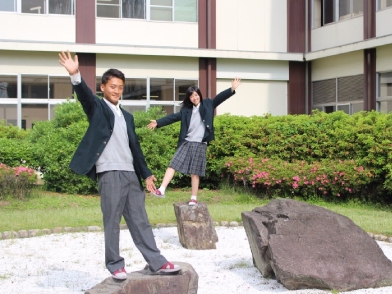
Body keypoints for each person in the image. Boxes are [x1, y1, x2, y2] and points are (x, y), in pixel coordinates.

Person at [58, 50, 181, 280]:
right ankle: (115, 265)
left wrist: (146, 175)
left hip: (130, 175)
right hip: (109, 173)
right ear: (103, 87)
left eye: (120, 87)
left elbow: (135, 148)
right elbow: (84, 96)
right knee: (112, 221)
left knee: (140, 220)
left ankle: (157, 262)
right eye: (113, 86)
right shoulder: (97, 108)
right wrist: (75, 75)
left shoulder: (128, 117)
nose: (117, 91)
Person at [147, 78, 241, 205]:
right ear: (189, 98)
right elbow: (173, 117)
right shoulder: (186, 110)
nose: (194, 98)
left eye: (196, 95)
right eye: (192, 96)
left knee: (194, 172)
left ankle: (194, 198)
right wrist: (158, 122)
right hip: (187, 142)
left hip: (200, 143)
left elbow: (219, 98)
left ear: (199, 95)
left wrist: (232, 89)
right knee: (173, 164)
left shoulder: (208, 104)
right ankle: (162, 190)